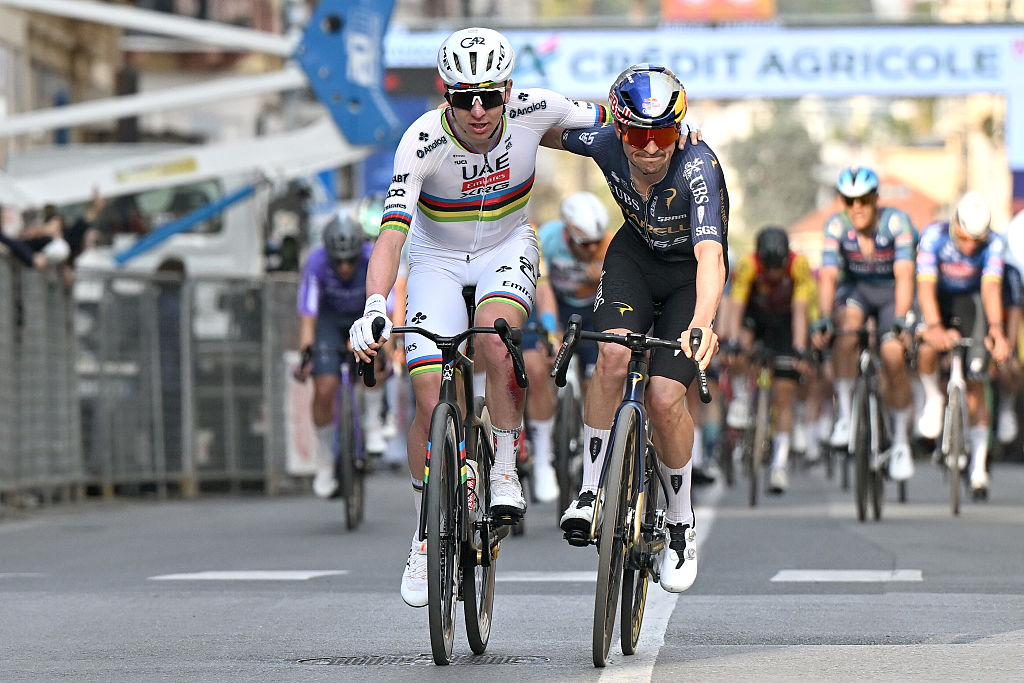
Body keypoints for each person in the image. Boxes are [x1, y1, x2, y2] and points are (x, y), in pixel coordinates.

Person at [347, 27, 617, 609]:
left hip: (505, 247)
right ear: (445, 92)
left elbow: (614, 117)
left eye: (489, 96)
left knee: (498, 343)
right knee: (426, 390)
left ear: (509, 91)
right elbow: (391, 235)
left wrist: (673, 131)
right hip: (436, 259)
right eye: (463, 96)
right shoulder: (420, 141)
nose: (477, 109)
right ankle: (425, 532)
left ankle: (502, 467)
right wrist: (373, 305)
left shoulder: (534, 111)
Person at [544, 64, 727, 593]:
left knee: (667, 397)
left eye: (664, 134)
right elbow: (543, 129)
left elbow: (711, 256)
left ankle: (680, 524)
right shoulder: (602, 142)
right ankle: (588, 491)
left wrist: (700, 324)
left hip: (691, 275)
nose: (651, 148)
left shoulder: (698, 167)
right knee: (612, 356)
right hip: (634, 259)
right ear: (619, 129)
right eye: (639, 135)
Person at [811, 166, 916, 482]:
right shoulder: (836, 225)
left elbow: (906, 275)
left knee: (894, 356)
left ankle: (899, 443)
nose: (857, 208)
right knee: (844, 331)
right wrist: (824, 317)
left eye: (864, 200)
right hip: (856, 290)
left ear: (875, 199)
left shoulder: (897, 222)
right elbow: (828, 276)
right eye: (849, 200)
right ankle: (844, 412)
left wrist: (900, 320)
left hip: (891, 293)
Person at [915, 191, 1010, 499]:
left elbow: (990, 289)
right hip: (938, 300)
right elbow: (925, 287)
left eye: (976, 242)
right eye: (964, 238)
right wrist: (933, 327)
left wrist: (997, 330)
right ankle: (932, 397)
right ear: (954, 224)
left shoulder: (995, 243)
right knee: (927, 345)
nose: (969, 247)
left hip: (973, 304)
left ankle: (979, 466)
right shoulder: (933, 236)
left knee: (977, 381)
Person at [523, 191, 612, 502]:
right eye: (584, 244)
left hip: (592, 311)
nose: (591, 250)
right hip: (556, 305)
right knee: (541, 368)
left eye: (595, 243)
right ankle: (544, 453)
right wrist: (551, 330)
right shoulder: (547, 239)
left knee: (596, 381)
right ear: (568, 234)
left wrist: (599, 275)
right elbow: (540, 287)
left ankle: (593, 451)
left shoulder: (609, 245)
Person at [293, 213, 389, 499]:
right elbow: (308, 314)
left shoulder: (372, 257)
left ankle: (372, 421)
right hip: (329, 322)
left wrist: (386, 346)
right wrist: (307, 353)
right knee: (324, 386)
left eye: (350, 260)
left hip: (364, 315)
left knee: (375, 357)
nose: (345, 267)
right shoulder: (316, 262)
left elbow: (388, 304)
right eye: (338, 261)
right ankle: (324, 457)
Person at [723, 226, 814, 494]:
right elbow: (737, 306)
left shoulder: (800, 265)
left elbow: (800, 310)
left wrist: (798, 347)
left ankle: (779, 465)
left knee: (784, 393)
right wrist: (732, 341)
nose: (774, 274)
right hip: (757, 316)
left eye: (778, 268)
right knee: (740, 344)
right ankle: (740, 397)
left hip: (786, 321)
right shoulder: (748, 265)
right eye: (769, 268)